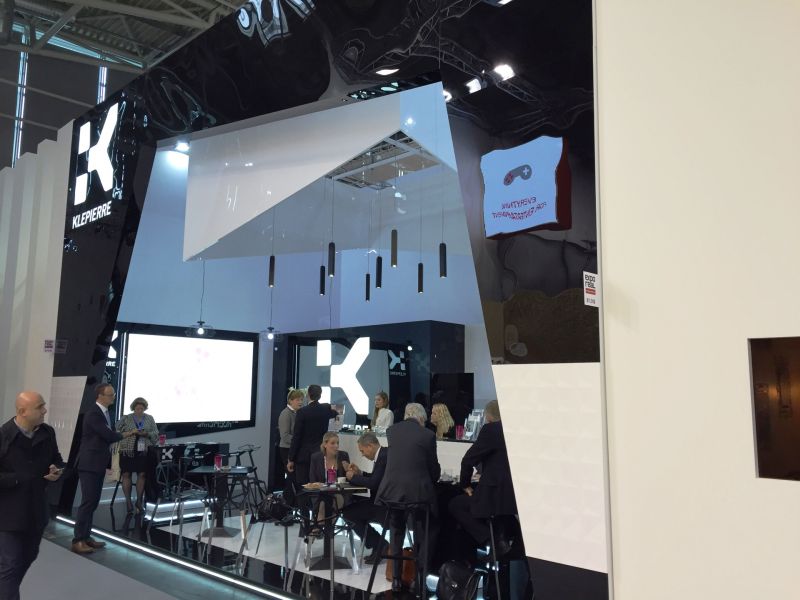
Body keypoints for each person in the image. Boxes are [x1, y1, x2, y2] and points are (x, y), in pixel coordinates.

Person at [0, 391, 64, 600]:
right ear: (22, 411)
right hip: (8, 515)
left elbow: (57, 459)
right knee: (10, 564)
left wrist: (57, 470)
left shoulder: (47, 433)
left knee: (28, 557)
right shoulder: (3, 436)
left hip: (37, 510)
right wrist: (18, 479)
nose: (45, 410)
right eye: (39, 407)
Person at [376, 403, 441, 592]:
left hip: (392, 492)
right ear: (421, 418)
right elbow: (433, 469)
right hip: (418, 495)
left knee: (396, 529)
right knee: (426, 529)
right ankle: (418, 579)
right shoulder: (428, 435)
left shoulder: (392, 431)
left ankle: (396, 579)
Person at [72, 384, 139, 554]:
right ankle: (78, 540)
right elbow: (108, 435)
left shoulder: (103, 413)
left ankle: (86, 537)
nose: (113, 397)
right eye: (110, 395)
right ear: (100, 396)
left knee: (92, 502)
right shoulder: (94, 413)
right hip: (89, 464)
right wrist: (127, 433)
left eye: (113, 394)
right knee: (88, 502)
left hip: (96, 463)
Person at [448, 400, 519, 561]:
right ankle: (502, 542)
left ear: (488, 416)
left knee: (456, 504)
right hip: (513, 497)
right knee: (501, 518)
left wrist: (465, 485)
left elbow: (468, 460)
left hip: (494, 494)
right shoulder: (516, 429)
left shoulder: (491, 429)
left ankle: (492, 540)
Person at [342, 431, 388, 564]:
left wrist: (353, 477)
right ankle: (378, 544)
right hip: (381, 501)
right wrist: (360, 473)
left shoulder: (383, 457)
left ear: (370, 446)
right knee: (350, 511)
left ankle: (379, 543)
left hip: (384, 504)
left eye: (362, 451)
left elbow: (373, 484)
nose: (362, 454)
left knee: (348, 513)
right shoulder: (383, 454)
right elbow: (376, 479)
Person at [287, 384, 338, 486]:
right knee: (318, 484)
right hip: (320, 453)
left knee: (303, 486)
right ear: (320, 395)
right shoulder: (326, 409)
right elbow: (336, 413)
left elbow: (297, 437)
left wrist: (291, 458)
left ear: (308, 395)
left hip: (303, 455)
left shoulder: (302, 412)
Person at [115, 397, 159, 514]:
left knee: (142, 474)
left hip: (142, 450)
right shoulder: (126, 418)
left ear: (145, 408)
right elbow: (117, 429)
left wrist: (147, 433)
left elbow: (156, 433)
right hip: (127, 450)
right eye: (137, 408)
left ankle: (139, 501)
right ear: (133, 408)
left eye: (142, 408)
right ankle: (128, 501)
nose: (139, 410)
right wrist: (131, 432)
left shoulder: (149, 418)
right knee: (126, 474)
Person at [278, 388, 304, 503]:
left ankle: (291, 502)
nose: (300, 402)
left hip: (293, 449)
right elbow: (284, 436)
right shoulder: (285, 414)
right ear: (290, 400)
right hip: (286, 449)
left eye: (301, 399)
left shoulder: (297, 413)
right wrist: (299, 441)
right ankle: (288, 502)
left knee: (293, 477)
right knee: (291, 476)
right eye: (298, 399)